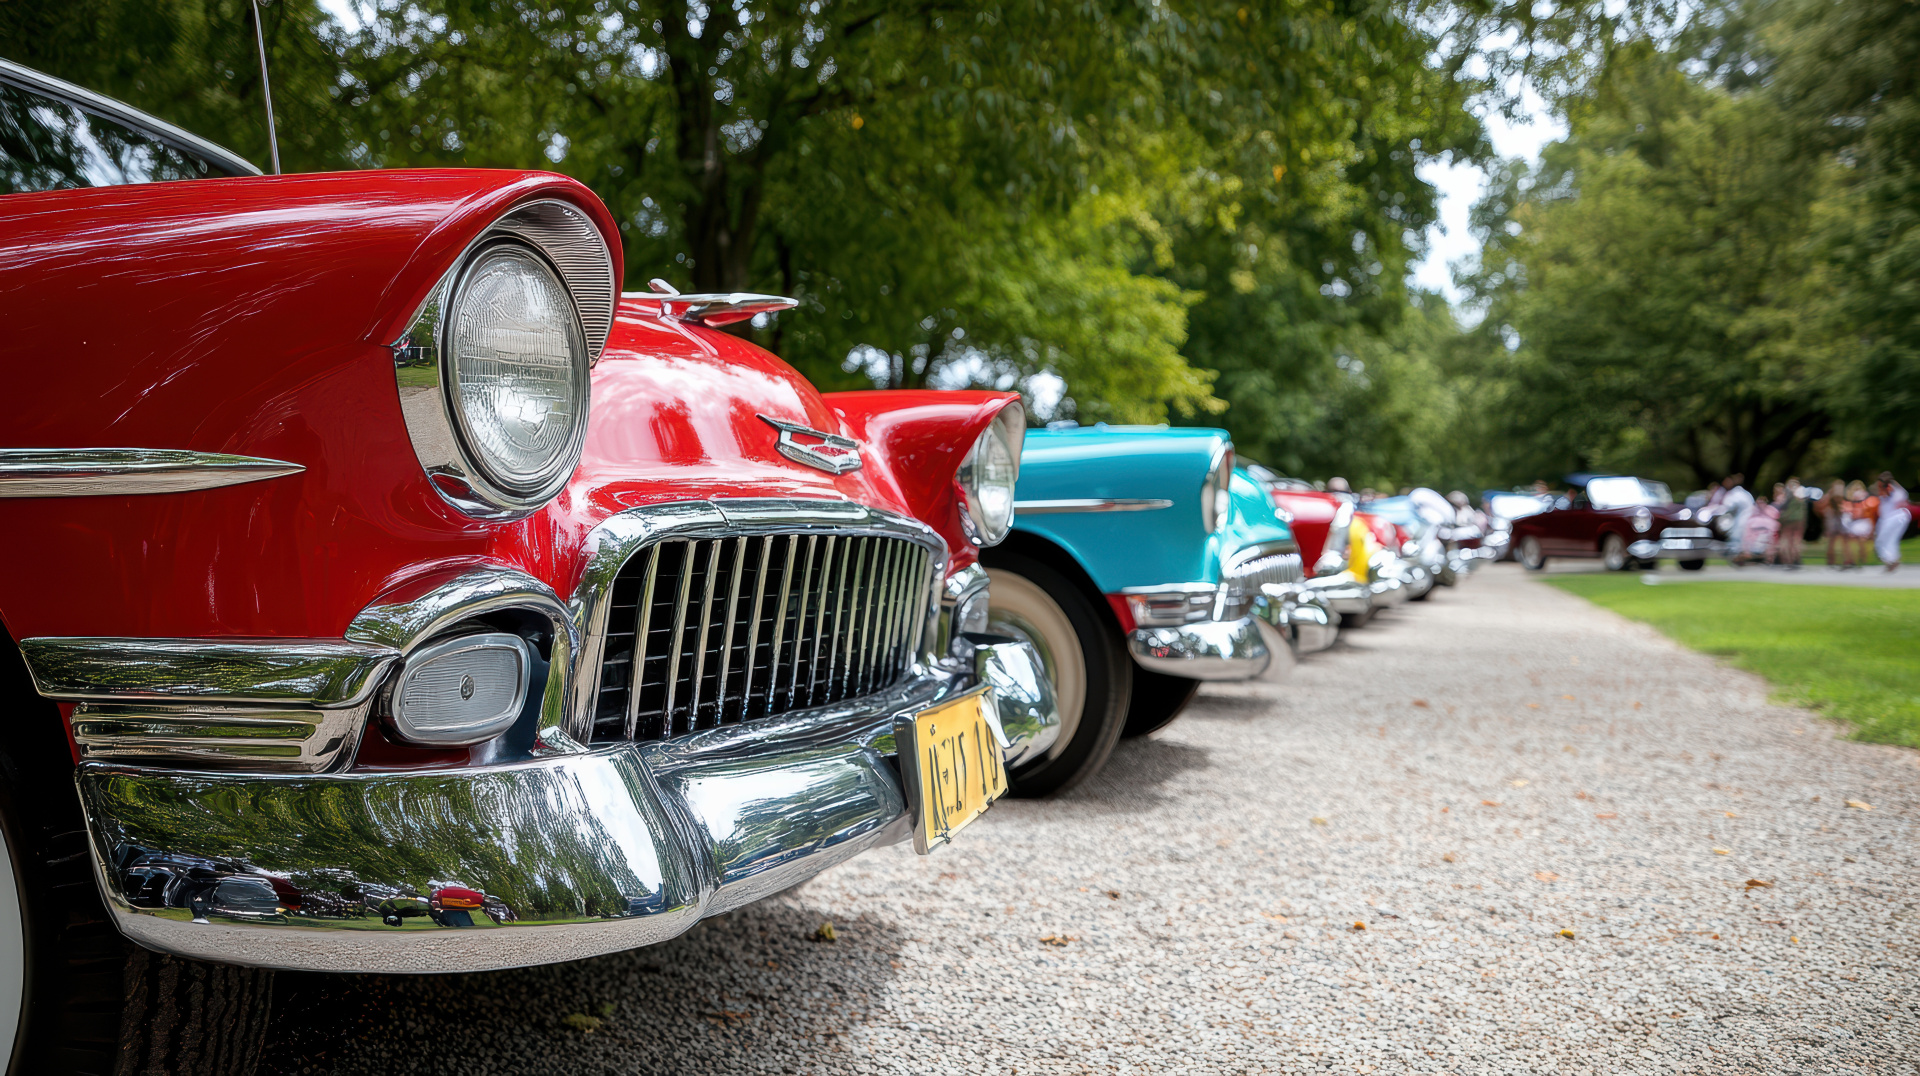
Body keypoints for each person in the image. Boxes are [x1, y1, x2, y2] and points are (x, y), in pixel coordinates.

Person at [1875, 472, 1910, 573]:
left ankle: (1891, 561)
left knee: (1882, 540)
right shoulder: (1891, 490)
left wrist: (1890, 482)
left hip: (1894, 517)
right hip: (1892, 518)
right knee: (1890, 540)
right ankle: (1892, 561)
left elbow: (1902, 496)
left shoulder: (1890, 489)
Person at [1844, 480, 1876, 568]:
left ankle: (1862, 560)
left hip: (1863, 522)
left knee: (1862, 540)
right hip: (1854, 523)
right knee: (1848, 541)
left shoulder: (1867, 501)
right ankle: (1851, 560)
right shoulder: (1849, 502)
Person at [1778, 478, 1807, 568]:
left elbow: (1784, 508)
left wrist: (1782, 518)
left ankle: (1789, 561)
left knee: (1787, 541)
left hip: (1789, 520)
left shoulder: (1788, 495)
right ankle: (1796, 560)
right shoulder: (1801, 496)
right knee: (1796, 541)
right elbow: (1803, 510)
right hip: (1799, 520)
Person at [1818, 480, 1846, 567]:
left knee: (1836, 541)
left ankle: (1834, 561)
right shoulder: (1831, 495)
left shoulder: (1830, 495)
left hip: (1835, 517)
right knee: (1833, 541)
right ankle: (1831, 562)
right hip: (1833, 517)